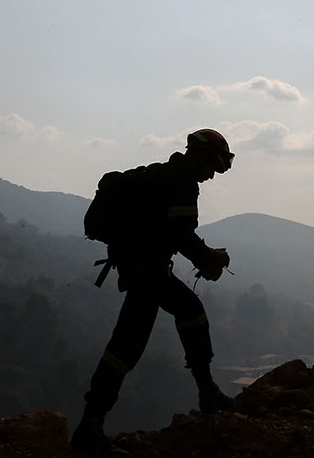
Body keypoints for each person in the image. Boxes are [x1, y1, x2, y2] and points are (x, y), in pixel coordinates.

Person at [71, 129, 237, 458]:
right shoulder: (181, 181)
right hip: (146, 269)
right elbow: (183, 236)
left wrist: (202, 256)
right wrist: (210, 258)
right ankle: (89, 429)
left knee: (184, 314)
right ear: (202, 157)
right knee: (128, 345)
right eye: (213, 167)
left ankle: (207, 393)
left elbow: (174, 233)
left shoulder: (165, 174)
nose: (211, 176)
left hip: (142, 266)